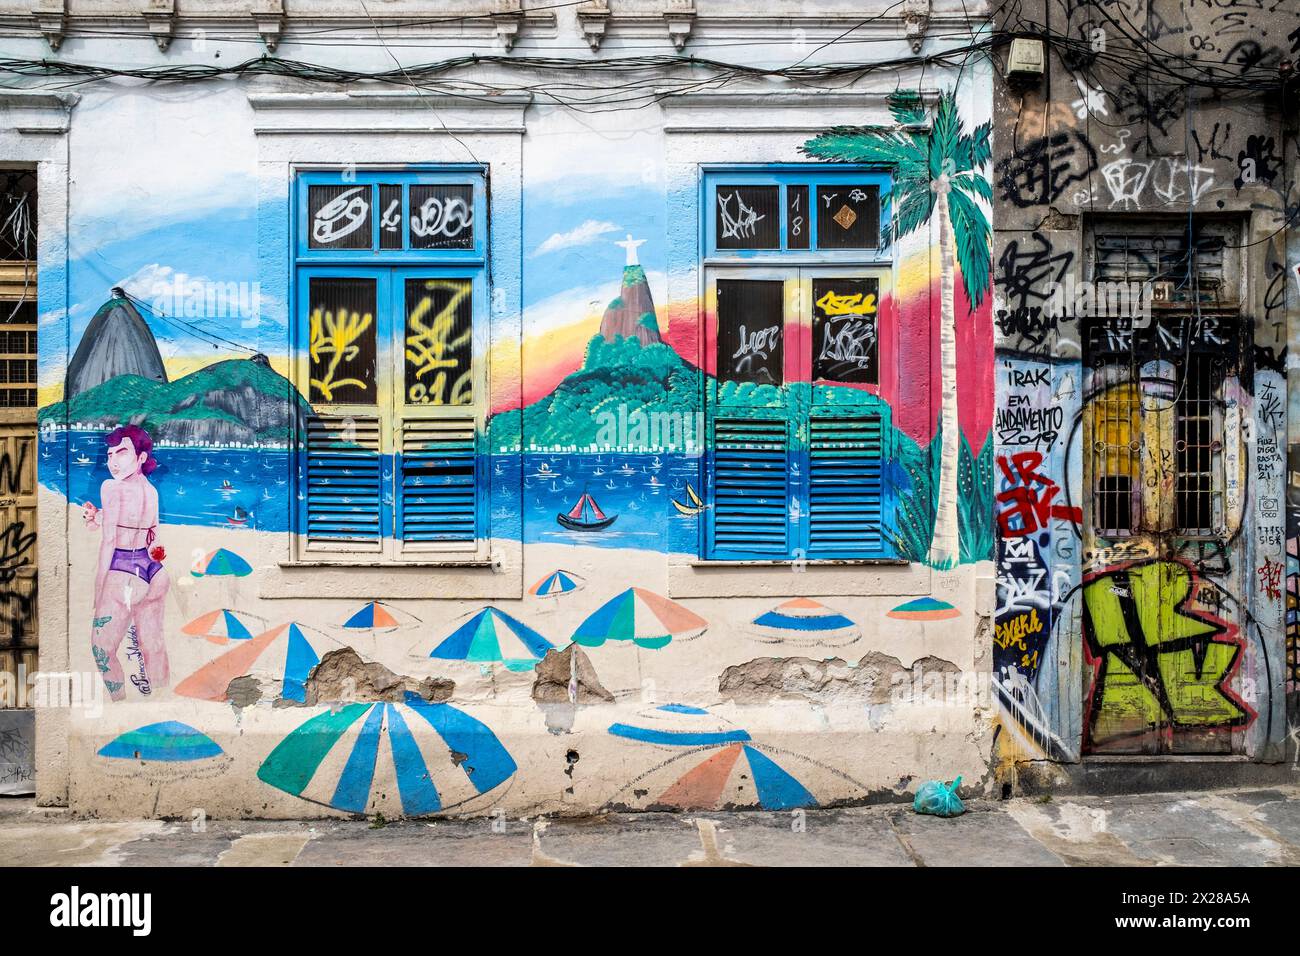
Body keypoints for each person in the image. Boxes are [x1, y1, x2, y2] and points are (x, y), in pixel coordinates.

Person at [87, 425, 170, 700]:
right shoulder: (152, 491)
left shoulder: (111, 487)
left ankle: (120, 707)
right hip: (154, 573)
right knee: (153, 646)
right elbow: (151, 540)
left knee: (101, 648)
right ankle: (161, 703)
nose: (113, 460)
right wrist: (99, 517)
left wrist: (98, 593)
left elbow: (110, 542)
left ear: (142, 458)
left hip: (123, 570)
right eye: (110, 453)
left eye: (122, 452)